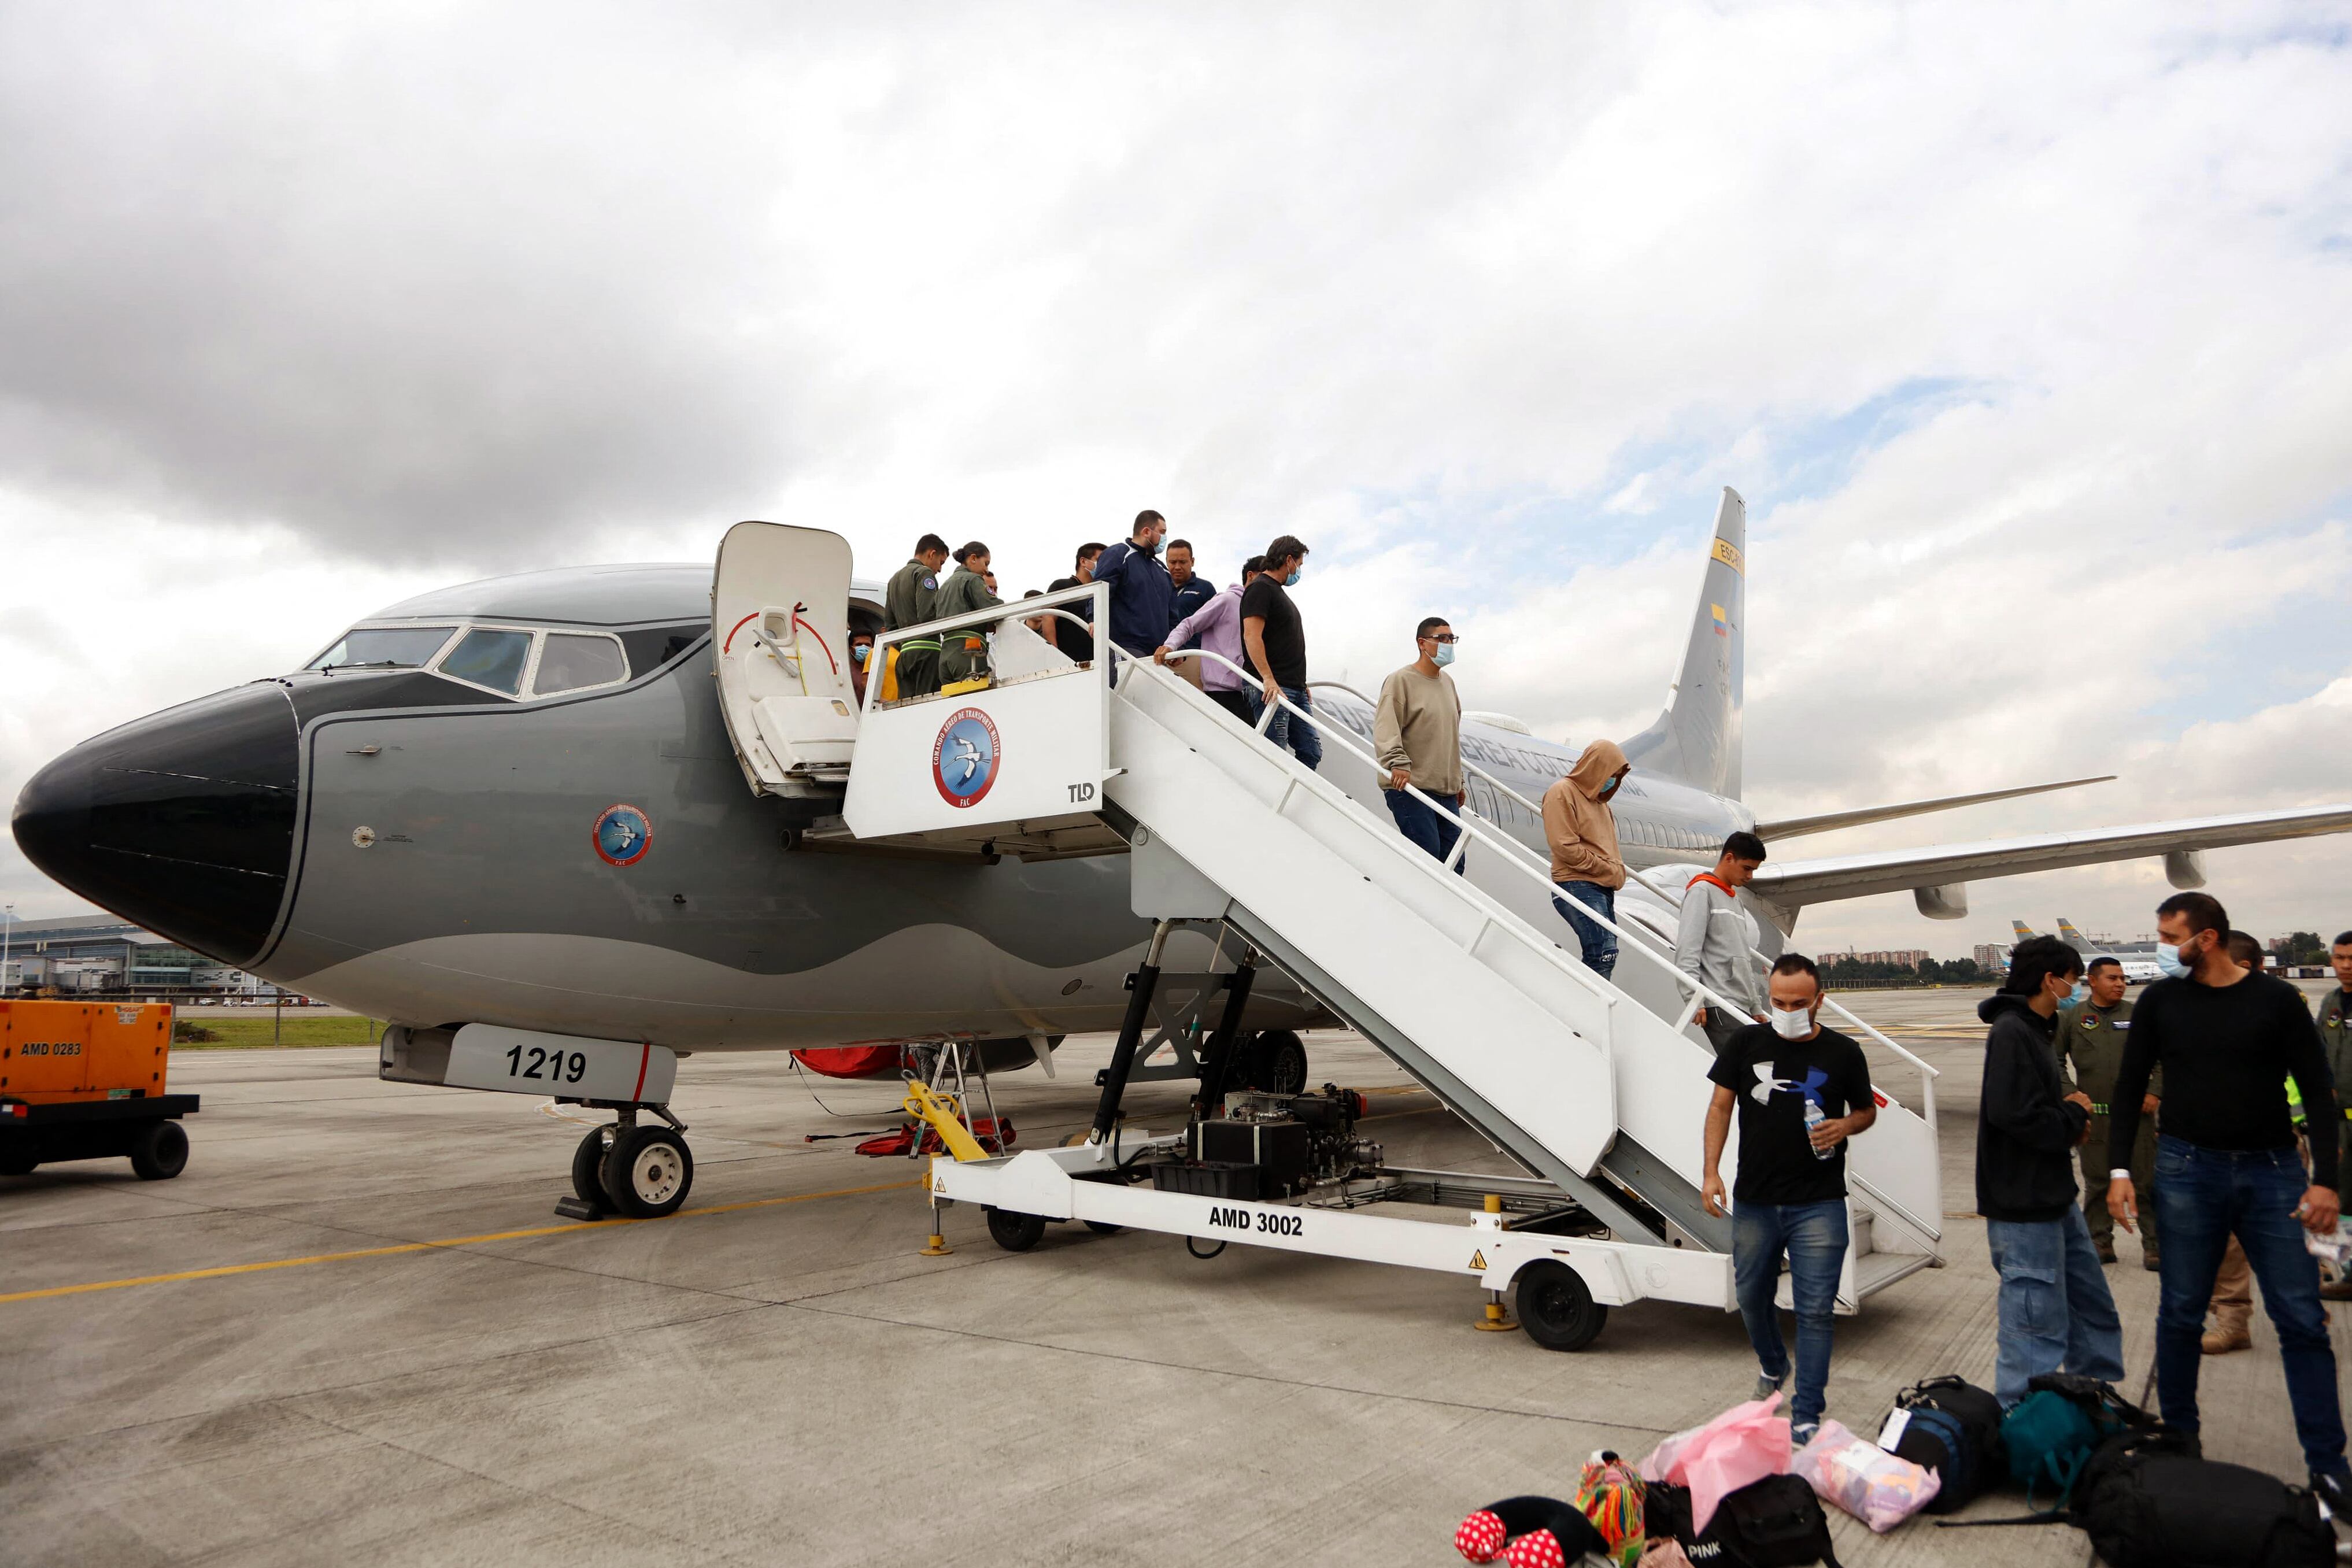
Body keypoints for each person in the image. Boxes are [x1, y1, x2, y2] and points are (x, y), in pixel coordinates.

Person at [2106, 893, 2348, 1508]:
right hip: (2189, 1169)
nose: (2162, 947)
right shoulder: (2161, 1001)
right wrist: (2117, 1171)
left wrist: (2325, 1182)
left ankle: (2328, 1465)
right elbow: (2130, 1086)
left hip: (2273, 1173)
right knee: (2182, 1312)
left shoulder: (2276, 1002)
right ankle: (2182, 1440)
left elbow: (2318, 1093)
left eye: (2170, 936)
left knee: (2300, 1318)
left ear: (2207, 939)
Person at [1701, 952, 1877, 1447]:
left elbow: (1865, 1112)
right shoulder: (1746, 1042)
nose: (1788, 1010)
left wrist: (1846, 1125)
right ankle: (1774, 1366)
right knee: (1753, 1296)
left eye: (1798, 1002)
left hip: (1818, 1202)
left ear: (1820, 1000)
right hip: (1755, 1199)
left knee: (1816, 1310)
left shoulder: (1844, 1053)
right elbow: (1719, 1107)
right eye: (1779, 1001)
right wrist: (1710, 1171)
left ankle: (1807, 1410)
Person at [1977, 934, 2126, 1407]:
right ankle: (2025, 1427)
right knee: (2033, 1327)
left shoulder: (2037, 1029)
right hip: (2024, 1206)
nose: (2075, 989)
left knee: (2091, 1309)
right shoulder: (2012, 1033)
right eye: (2074, 981)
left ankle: (2092, 1402)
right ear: (2050, 980)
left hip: (2055, 1196)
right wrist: (2075, 1116)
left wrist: (2067, 1116)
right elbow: (2012, 1113)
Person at [2054, 957, 2158, 1269]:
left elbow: (2163, 1058)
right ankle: (2099, 1241)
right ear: (2093, 981)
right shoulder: (2071, 1018)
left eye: (2123, 978)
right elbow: (2054, 1061)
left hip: (2137, 1117)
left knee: (2146, 1182)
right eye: (2113, 978)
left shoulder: (2139, 1016)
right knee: (2097, 1182)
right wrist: (2069, 1092)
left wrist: (2155, 1091)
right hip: (2095, 1117)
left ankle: (2155, 1245)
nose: (2120, 984)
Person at [1372, 618, 1465, 868]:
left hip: (1445, 792)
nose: (1448, 644)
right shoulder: (1400, 680)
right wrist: (1396, 762)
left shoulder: (1448, 684)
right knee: (1428, 859)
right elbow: (1386, 726)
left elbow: (1451, 736)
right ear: (1422, 643)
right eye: (1441, 638)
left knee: (1455, 864)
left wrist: (1458, 781)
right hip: (1412, 787)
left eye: (1451, 639)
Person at [1543, 740, 1629, 979]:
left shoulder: (1602, 805)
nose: (1613, 779)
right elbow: (1564, 847)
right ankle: (1586, 1006)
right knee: (1602, 951)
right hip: (1576, 883)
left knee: (1607, 954)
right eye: (1610, 773)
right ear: (1595, 767)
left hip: (1602, 887)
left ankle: (1592, 1005)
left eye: (1617, 775)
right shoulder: (1562, 792)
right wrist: (1608, 870)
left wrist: (1614, 873)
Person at [1677, 832, 1769, 1056]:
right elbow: (1688, 950)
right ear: (1729, 858)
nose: (1750, 876)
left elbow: (1741, 957)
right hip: (1719, 1003)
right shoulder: (1701, 891)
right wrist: (1693, 998)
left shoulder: (1734, 899)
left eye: (1754, 870)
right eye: (1747, 868)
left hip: (1740, 1004)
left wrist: (1755, 1006)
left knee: (1745, 1073)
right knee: (1739, 1074)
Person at [1240, 535, 1320, 770]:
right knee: (1275, 755)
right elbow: (1251, 636)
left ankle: (1291, 801)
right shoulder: (1260, 589)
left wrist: (1300, 682)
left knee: (1311, 751)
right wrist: (1267, 678)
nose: (1299, 571)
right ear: (1288, 560)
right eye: (1299, 564)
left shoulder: (1278, 593)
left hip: (1293, 688)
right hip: (1274, 689)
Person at [1156, 556, 1262, 723]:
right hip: (1222, 690)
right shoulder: (1227, 601)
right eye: (1266, 578)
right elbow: (1189, 624)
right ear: (1251, 576)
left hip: (1250, 691)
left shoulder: (1261, 611)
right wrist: (1170, 646)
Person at [1091, 510, 1176, 662]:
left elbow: (1173, 614)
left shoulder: (1163, 569)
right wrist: (1094, 618)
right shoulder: (1119, 553)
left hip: (1159, 654)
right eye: (1162, 532)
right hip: (1126, 647)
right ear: (1146, 531)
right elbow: (1100, 590)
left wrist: (1176, 646)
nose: (1165, 538)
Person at [2321, 930, 2352, 1302]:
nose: (2346, 966)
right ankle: (2345, 1274)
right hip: (2338, 1124)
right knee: (2340, 1199)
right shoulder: (2330, 1002)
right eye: (2340, 958)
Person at [883, 534, 951, 699]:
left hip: (904, 656)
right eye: (941, 562)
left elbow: (891, 626)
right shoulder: (924, 574)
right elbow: (927, 614)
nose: (940, 569)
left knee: (907, 712)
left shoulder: (893, 580)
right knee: (928, 709)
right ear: (932, 554)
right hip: (927, 653)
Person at [933, 542, 1001, 687]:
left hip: (945, 655)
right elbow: (993, 607)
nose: (986, 569)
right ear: (973, 559)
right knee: (975, 703)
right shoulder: (973, 579)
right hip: (968, 653)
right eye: (986, 563)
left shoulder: (945, 586)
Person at [1047, 543, 1105, 665]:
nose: (1104, 565)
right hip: (1070, 663)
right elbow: (1048, 619)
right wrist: (1055, 655)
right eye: (1100, 560)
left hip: (1099, 662)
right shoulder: (1061, 586)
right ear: (1084, 561)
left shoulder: (1104, 592)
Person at [1166, 538, 1215, 623]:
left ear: (1192, 561)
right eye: (1173, 562)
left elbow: (1218, 621)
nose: (1177, 567)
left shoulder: (1206, 588)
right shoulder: (1159, 588)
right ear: (1167, 562)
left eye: (1182, 562)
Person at [848, 629, 875, 705]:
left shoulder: (876, 671)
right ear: (850, 648)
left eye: (868, 645)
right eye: (859, 644)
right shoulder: (847, 672)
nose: (864, 648)